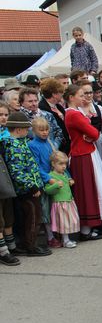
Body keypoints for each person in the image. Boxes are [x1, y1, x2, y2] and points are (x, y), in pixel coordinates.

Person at [64, 84, 102, 241]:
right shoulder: (74, 114)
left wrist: (92, 135)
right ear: (71, 97)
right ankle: (86, 229)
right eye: (80, 95)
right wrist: (92, 134)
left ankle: (88, 227)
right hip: (83, 154)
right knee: (87, 190)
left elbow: (93, 133)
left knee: (90, 189)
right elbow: (94, 132)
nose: (84, 98)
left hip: (85, 151)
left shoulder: (74, 113)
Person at [0, 112, 50, 256]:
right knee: (33, 218)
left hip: (31, 186)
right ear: (18, 129)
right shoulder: (13, 146)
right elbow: (17, 171)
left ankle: (29, 244)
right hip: (27, 190)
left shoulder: (21, 143)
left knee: (32, 216)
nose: (28, 131)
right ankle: (31, 246)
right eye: (26, 128)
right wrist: (32, 186)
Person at [27, 118, 58, 248]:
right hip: (44, 181)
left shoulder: (49, 143)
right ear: (34, 131)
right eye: (41, 130)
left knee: (55, 208)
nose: (45, 132)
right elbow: (36, 166)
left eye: (46, 130)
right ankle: (50, 236)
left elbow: (56, 161)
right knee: (45, 209)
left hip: (54, 178)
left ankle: (57, 232)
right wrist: (47, 178)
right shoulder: (33, 145)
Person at [44, 151, 80, 248]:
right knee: (64, 223)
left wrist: (70, 180)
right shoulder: (51, 176)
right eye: (61, 164)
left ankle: (66, 239)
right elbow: (47, 190)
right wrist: (55, 185)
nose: (64, 166)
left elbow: (66, 180)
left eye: (65, 164)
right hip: (60, 203)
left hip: (68, 201)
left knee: (69, 221)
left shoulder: (64, 174)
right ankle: (66, 240)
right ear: (53, 164)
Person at [0, 102, 19, 264]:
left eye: (6, 114)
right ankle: (3, 250)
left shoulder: (8, 133)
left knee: (8, 213)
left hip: (7, 177)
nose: (3, 118)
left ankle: (11, 245)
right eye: (0, 115)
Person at [39, 78, 70, 154]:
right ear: (54, 94)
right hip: (55, 148)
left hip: (66, 146)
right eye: (61, 92)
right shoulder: (42, 107)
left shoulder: (58, 106)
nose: (62, 94)